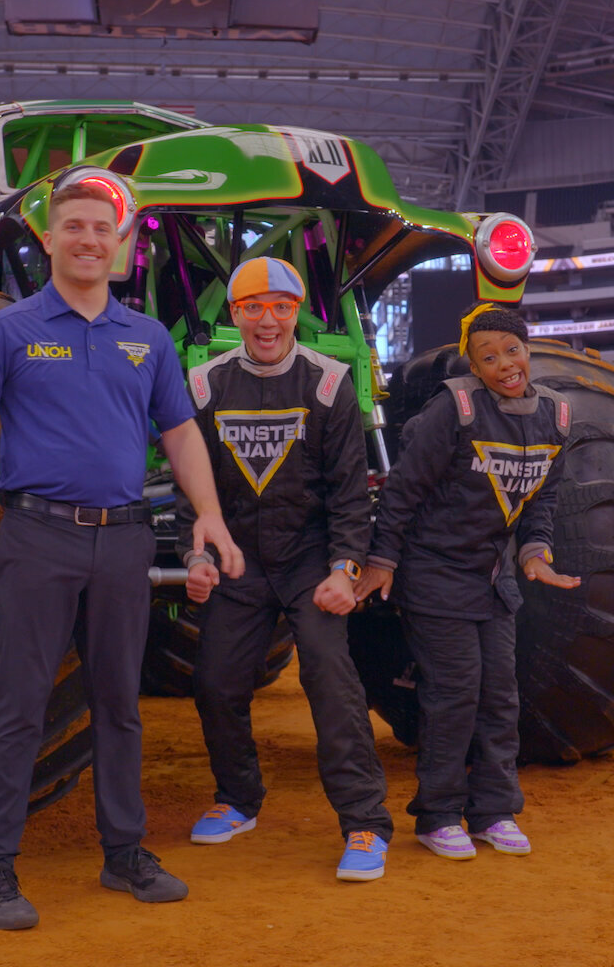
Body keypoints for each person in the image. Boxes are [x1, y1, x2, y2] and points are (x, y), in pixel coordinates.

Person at [0, 177, 245, 931]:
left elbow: (182, 436)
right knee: (18, 706)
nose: (90, 239)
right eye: (76, 227)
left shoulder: (147, 338)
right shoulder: (9, 330)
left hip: (124, 540)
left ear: (121, 245)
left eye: (104, 228)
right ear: (50, 240)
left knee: (120, 707)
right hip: (37, 539)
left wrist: (211, 517)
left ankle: (124, 854)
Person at [177, 256, 393, 882]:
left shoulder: (328, 382)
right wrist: (198, 556)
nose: (266, 320)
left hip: (309, 562)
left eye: (280, 307)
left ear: (297, 311)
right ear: (235, 314)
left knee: (331, 682)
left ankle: (364, 824)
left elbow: (352, 493)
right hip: (238, 560)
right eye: (252, 307)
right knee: (215, 682)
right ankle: (239, 800)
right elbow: (193, 492)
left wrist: (344, 569)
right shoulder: (205, 383)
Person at [353, 304, 580, 861]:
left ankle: (494, 811)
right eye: (489, 357)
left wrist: (534, 551)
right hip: (434, 574)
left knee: (500, 697)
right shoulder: (452, 409)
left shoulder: (556, 416)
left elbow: (542, 494)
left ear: (529, 351)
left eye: (512, 350)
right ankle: (437, 815)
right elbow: (401, 491)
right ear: (473, 368)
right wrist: (382, 561)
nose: (504, 364)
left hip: (492, 579)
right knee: (454, 695)